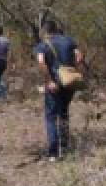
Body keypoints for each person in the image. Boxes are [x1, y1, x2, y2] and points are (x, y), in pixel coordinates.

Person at [34, 20, 86, 161]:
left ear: (44, 30)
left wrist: (49, 80)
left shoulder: (42, 45)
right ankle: (65, 147)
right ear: (56, 29)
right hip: (69, 82)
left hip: (54, 84)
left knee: (51, 117)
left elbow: (41, 62)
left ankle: (53, 153)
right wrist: (76, 72)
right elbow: (80, 56)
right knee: (63, 113)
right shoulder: (69, 41)